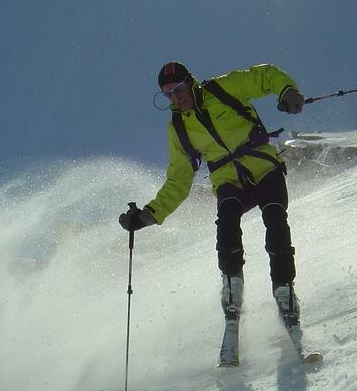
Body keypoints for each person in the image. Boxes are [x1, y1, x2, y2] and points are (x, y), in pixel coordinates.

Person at [119, 61, 306, 337]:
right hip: (229, 181)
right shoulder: (178, 128)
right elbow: (179, 179)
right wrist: (149, 214)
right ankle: (232, 290)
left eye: (178, 89)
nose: (175, 98)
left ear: (190, 83)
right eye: (168, 94)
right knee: (226, 225)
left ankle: (284, 291)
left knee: (276, 221)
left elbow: (264, 75)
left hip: (264, 168)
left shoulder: (222, 88)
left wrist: (286, 91)